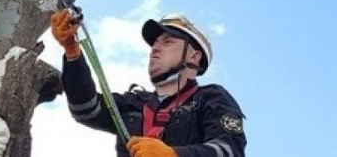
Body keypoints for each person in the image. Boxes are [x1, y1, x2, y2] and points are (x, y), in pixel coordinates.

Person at [50, 10, 247, 156]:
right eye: (155, 43)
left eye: (168, 42)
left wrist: (174, 155)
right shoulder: (134, 102)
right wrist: (72, 52)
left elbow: (230, 150)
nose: (155, 49)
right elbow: (85, 110)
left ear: (194, 57)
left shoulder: (211, 98)